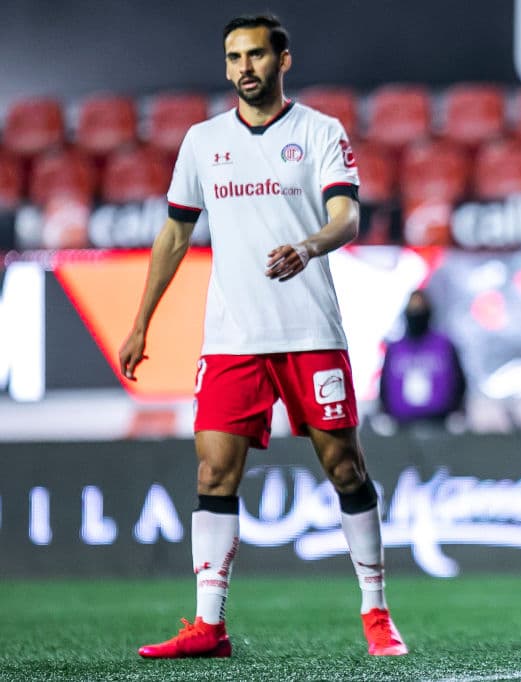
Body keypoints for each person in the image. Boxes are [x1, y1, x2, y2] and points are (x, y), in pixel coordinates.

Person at [118, 14, 406, 659]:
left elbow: (348, 217)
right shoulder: (202, 141)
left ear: (283, 61)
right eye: (233, 57)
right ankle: (208, 626)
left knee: (345, 468)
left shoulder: (319, 132)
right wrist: (141, 322)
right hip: (231, 337)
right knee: (214, 475)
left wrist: (308, 246)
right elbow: (174, 234)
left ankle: (376, 612)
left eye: (255, 55)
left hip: (309, 330)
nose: (243, 67)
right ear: (225, 67)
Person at [378, 289, 467, 428]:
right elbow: (384, 386)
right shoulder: (395, 349)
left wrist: (456, 411)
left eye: (420, 308)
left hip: (440, 423)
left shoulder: (444, 346)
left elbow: (459, 380)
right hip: (401, 425)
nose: (417, 313)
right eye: (413, 308)